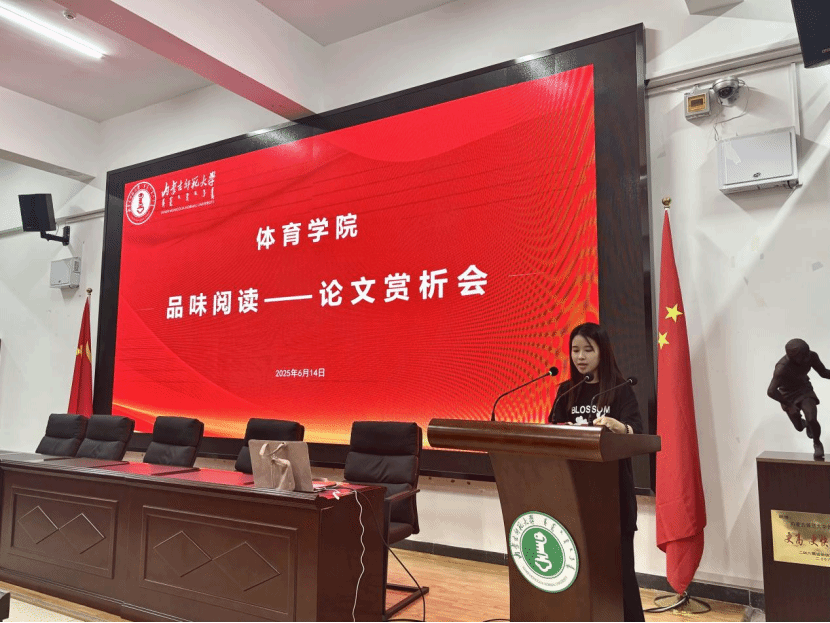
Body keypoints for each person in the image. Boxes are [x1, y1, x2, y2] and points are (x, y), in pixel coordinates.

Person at [548, 322, 644, 622]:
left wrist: (618, 426)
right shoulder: (567, 391)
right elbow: (551, 432)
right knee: (578, 571)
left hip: (614, 496)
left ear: (603, 351)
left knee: (620, 573)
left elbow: (638, 433)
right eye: (575, 350)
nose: (580, 357)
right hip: (574, 495)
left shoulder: (620, 390)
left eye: (588, 350)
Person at [767, 338, 829, 460]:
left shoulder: (811, 356)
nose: (807, 357)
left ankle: (817, 443)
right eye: (804, 355)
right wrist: (789, 405)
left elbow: (823, 372)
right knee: (799, 427)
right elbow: (771, 391)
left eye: (808, 352)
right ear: (793, 358)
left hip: (804, 389)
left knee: (811, 418)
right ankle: (804, 424)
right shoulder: (782, 368)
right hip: (787, 395)